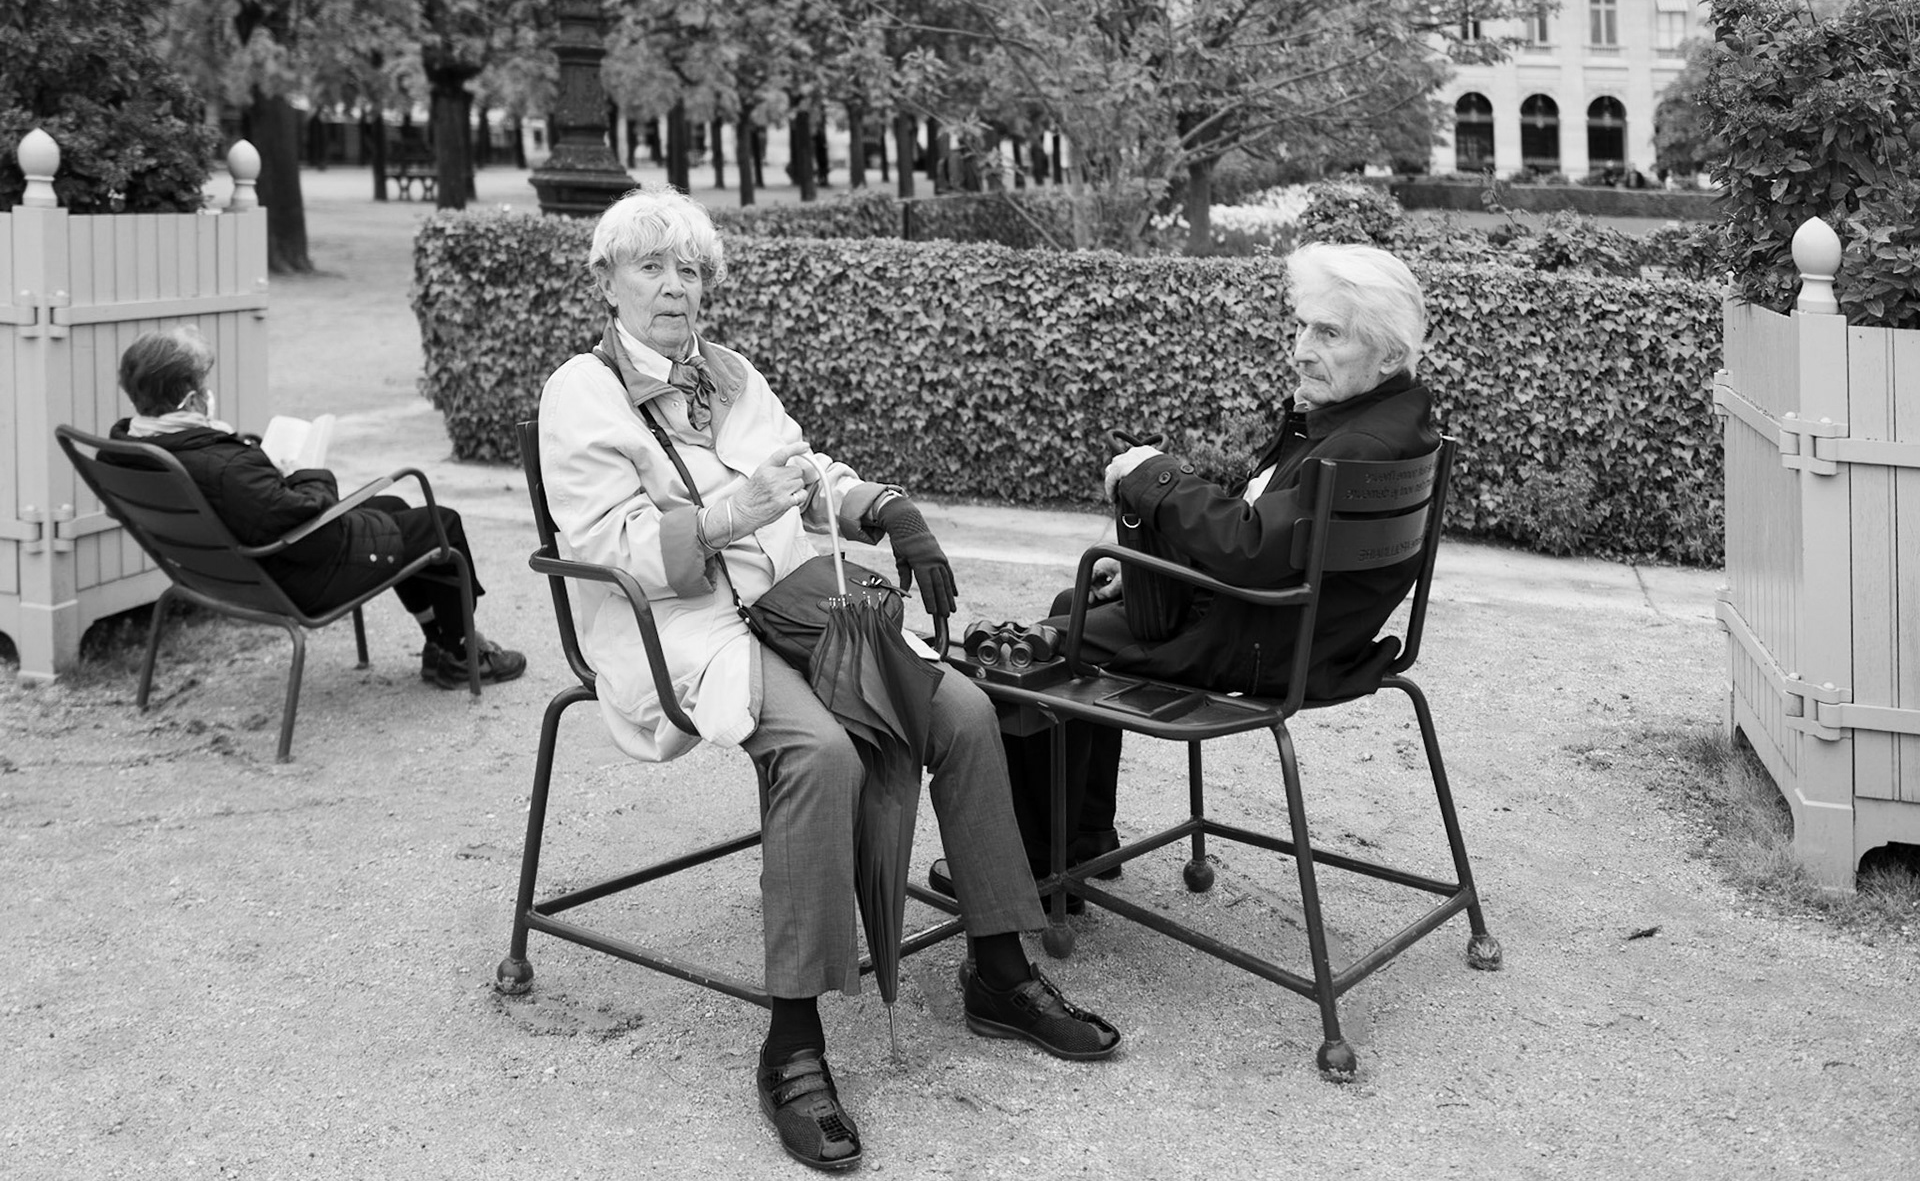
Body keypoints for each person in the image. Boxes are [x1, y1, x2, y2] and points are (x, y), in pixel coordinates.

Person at [537, 187, 1121, 1173]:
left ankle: (1004, 969)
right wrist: (732, 511)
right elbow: (612, 549)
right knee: (821, 752)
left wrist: (883, 507)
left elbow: (805, 472)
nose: (675, 287)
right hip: (684, 626)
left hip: (800, 604)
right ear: (607, 280)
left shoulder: (729, 372)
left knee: (967, 711)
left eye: (690, 270)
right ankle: (793, 1041)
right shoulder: (581, 394)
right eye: (651, 267)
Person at [995, 242, 1443, 884]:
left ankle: (1033, 870)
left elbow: (1253, 547)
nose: (1301, 349)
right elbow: (1273, 534)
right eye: (1302, 326)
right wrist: (1157, 563)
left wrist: (1154, 476)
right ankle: (1084, 837)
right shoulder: (1392, 422)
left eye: (1329, 333)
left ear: (1390, 355)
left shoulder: (1360, 447)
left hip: (1264, 643)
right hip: (1296, 631)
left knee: (1038, 657)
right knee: (1076, 608)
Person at [109, 327, 524, 690]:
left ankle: (439, 642)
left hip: (232, 571)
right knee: (440, 523)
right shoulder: (220, 464)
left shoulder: (131, 447)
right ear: (189, 399)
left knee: (394, 504)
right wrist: (307, 470)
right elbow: (304, 512)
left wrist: (251, 456)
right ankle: (460, 652)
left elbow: (243, 489)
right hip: (301, 574)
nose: (207, 392)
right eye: (202, 382)